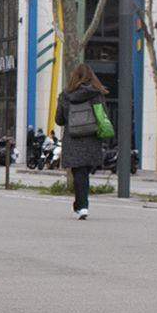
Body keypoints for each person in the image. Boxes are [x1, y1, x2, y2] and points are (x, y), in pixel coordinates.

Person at [54, 65, 109, 217]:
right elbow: (102, 116)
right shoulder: (96, 94)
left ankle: (81, 205)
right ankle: (81, 205)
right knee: (84, 173)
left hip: (73, 139)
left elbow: (59, 120)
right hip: (91, 138)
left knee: (78, 172)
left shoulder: (65, 95)